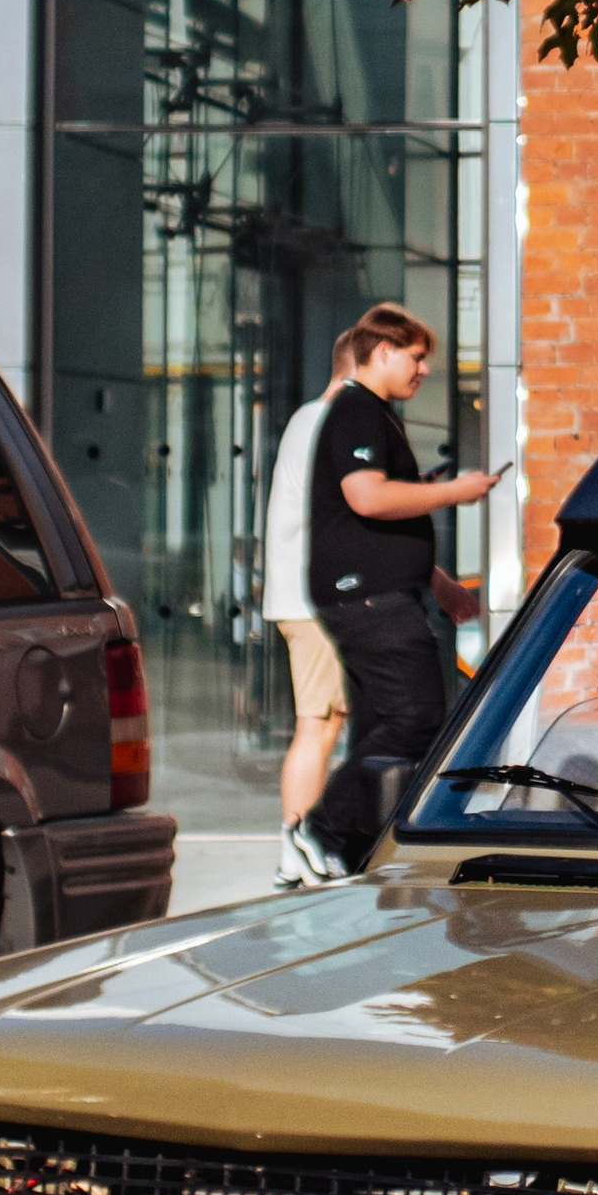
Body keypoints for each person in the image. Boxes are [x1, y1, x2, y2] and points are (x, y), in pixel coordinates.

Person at [302, 303, 498, 871]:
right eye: (416, 357)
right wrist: (454, 492)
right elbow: (368, 497)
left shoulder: (372, 414)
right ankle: (324, 828)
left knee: (384, 726)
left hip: (376, 593)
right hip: (368, 598)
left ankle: (351, 848)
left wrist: (443, 589)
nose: (425, 370)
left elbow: (385, 515)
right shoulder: (358, 411)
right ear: (383, 351)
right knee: (419, 720)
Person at [262, 331, 356, 890]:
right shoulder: (328, 424)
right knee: (316, 727)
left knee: (323, 724)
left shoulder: (304, 419)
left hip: (300, 598)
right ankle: (298, 847)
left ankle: (301, 846)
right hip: (314, 600)